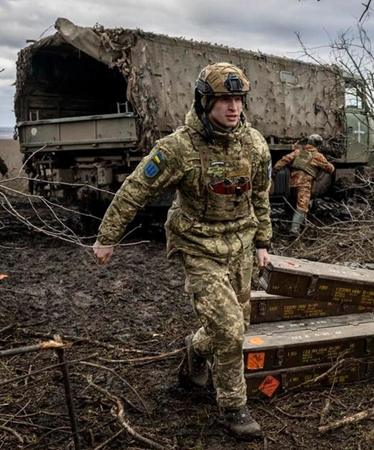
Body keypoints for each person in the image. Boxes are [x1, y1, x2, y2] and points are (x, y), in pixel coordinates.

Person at [91, 63, 272, 439]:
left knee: (238, 325)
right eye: (224, 99)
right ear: (204, 102)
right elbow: (134, 191)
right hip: (198, 245)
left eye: (238, 99)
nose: (233, 107)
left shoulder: (254, 144)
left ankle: (195, 348)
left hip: (239, 244)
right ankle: (234, 407)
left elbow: (260, 196)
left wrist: (263, 243)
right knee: (228, 330)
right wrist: (107, 237)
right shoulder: (178, 148)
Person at [271, 134, 334, 235]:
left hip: (292, 183)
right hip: (304, 184)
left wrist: (274, 172)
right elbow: (329, 169)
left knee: (294, 201)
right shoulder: (318, 156)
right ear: (318, 144)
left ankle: (294, 222)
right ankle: (294, 229)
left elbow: (283, 160)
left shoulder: (298, 152)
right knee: (302, 205)